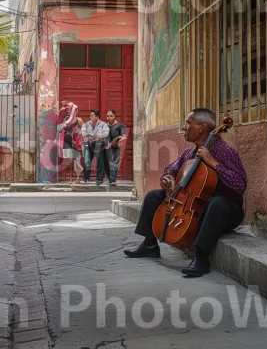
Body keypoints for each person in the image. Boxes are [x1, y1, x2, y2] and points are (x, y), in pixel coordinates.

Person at [123, 108, 247, 278]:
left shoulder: (225, 151)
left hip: (225, 210)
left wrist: (213, 163)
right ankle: (150, 245)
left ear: (201, 127)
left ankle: (201, 259)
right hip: (196, 205)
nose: (183, 127)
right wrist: (168, 178)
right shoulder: (190, 153)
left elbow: (240, 185)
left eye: (188, 124)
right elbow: (171, 169)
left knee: (216, 203)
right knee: (153, 196)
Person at [57, 101, 84, 184]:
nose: (69, 112)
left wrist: (80, 139)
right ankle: (71, 178)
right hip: (67, 143)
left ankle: (78, 178)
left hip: (76, 144)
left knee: (77, 161)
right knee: (70, 161)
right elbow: (59, 129)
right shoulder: (65, 120)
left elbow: (84, 131)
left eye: (70, 110)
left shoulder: (78, 120)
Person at [81, 109, 109, 185]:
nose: (90, 117)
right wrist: (88, 136)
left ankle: (99, 179)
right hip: (89, 144)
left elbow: (106, 133)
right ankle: (86, 178)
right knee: (87, 161)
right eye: (90, 115)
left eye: (92, 115)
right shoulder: (86, 124)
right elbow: (83, 132)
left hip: (98, 144)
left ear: (97, 116)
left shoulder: (103, 124)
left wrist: (98, 136)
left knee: (100, 161)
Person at [103, 109, 128, 186]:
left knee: (113, 164)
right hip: (105, 148)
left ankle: (113, 180)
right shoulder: (104, 126)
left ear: (114, 116)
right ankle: (111, 180)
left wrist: (118, 141)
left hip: (115, 148)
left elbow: (124, 137)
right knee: (106, 164)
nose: (109, 117)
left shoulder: (120, 125)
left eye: (111, 116)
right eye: (107, 116)